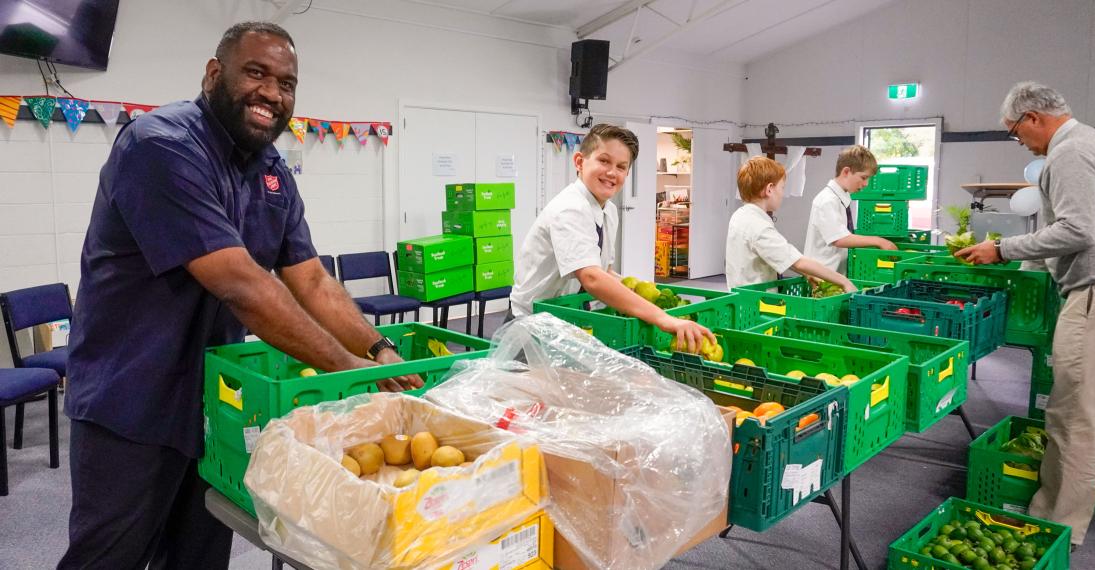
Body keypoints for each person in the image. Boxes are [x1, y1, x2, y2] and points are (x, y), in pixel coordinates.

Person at [59, 22, 422, 569]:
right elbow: (241, 284)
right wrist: (343, 369)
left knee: (201, 553)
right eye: (257, 73)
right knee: (110, 557)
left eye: (287, 83)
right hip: (130, 402)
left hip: (215, 407)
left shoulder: (272, 171)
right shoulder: (160, 146)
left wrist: (378, 352)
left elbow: (313, 280)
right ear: (213, 74)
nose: (273, 93)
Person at [957, 81, 1095, 546]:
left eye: (1016, 132)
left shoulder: (1070, 153)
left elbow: (1078, 229)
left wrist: (1002, 249)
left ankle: (1054, 527)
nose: (1020, 141)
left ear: (1033, 117)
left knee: (1078, 413)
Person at [509, 123, 713, 351]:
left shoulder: (608, 211)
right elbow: (591, 277)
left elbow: (603, 270)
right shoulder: (570, 208)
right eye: (604, 161)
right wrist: (663, 319)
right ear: (579, 162)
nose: (611, 172)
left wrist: (639, 293)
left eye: (621, 166)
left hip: (565, 322)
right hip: (531, 328)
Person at [726, 156, 856, 292]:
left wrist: (807, 273)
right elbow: (798, 262)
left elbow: (779, 256)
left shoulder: (740, 216)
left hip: (741, 297)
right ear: (770, 189)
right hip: (756, 304)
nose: (782, 194)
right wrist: (844, 281)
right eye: (782, 187)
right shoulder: (758, 226)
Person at [804, 145, 897, 272]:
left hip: (837, 274)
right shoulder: (827, 200)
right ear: (846, 172)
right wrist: (879, 241)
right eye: (863, 177)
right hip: (823, 278)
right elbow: (839, 239)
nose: (866, 184)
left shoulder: (842, 197)